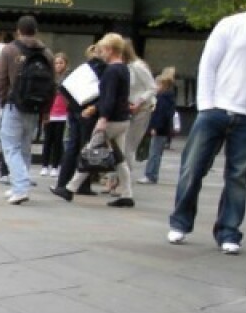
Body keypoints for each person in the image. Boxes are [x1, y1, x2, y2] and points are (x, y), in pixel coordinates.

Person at [167, 0, 246, 254]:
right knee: (192, 168)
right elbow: (208, 64)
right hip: (217, 108)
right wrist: (207, 106)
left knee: (238, 177)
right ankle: (181, 222)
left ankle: (229, 232)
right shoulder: (232, 25)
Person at [58, 32, 132, 206]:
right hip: (123, 119)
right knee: (120, 159)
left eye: (103, 50)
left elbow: (109, 97)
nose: (101, 53)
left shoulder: (111, 71)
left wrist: (102, 117)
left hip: (111, 120)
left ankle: (70, 188)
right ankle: (127, 194)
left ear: (109, 49)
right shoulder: (124, 69)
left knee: (89, 153)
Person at [0, 18, 54, 204]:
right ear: (36, 30)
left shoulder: (10, 50)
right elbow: (52, 84)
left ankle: (20, 188)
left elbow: (1, 80)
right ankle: (19, 185)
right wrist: (46, 110)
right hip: (36, 107)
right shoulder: (47, 53)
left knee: (11, 148)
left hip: (14, 104)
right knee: (25, 147)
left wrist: (2, 99)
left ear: (18, 30)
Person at [123, 40, 156, 185]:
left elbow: (152, 87)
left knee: (128, 146)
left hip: (140, 109)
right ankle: (118, 179)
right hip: (128, 107)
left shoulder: (138, 67)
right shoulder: (126, 67)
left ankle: (124, 181)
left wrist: (140, 101)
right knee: (122, 145)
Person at [140, 68, 177, 185]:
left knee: (154, 153)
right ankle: (152, 174)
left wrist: (155, 127)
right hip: (164, 129)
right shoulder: (169, 98)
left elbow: (160, 114)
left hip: (159, 129)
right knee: (156, 152)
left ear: (163, 86)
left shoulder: (162, 99)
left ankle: (150, 175)